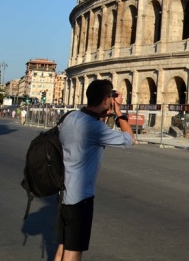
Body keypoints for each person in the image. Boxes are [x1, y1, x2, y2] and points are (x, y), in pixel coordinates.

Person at [54, 79, 134, 260]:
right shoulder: (94, 128)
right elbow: (129, 139)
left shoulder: (71, 117)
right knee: (73, 254)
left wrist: (107, 109)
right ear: (106, 99)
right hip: (80, 198)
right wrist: (119, 112)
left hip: (63, 193)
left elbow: (96, 125)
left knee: (62, 248)